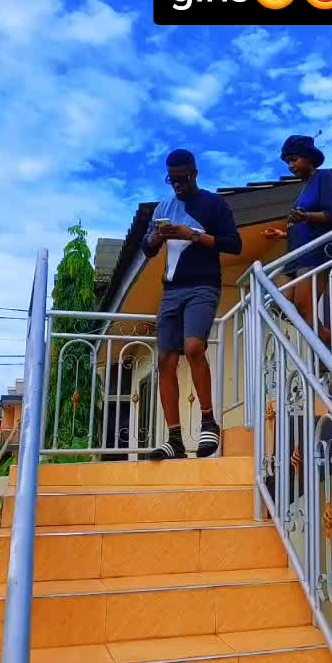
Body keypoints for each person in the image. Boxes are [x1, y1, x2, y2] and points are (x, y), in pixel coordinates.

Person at [142, 149, 242, 460]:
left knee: (195, 347)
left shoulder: (214, 204)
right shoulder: (163, 207)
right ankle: (174, 439)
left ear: (195, 174)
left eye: (182, 179)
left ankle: (208, 422)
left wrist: (193, 235)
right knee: (165, 360)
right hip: (171, 290)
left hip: (203, 286)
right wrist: (158, 237)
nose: (177, 185)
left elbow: (234, 244)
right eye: (171, 180)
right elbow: (147, 249)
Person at [264, 134, 332, 356]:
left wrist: (306, 216)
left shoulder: (324, 177)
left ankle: (329, 353)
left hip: (315, 253)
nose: (290, 165)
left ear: (308, 157)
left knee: (302, 306)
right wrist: (283, 234)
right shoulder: (305, 187)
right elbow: (303, 224)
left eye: (294, 159)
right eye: (287, 162)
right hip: (297, 255)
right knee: (278, 305)